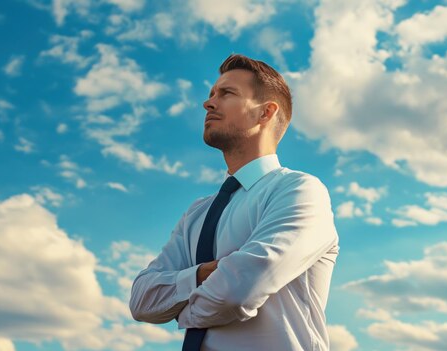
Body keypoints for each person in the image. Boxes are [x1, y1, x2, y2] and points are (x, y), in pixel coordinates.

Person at [129, 54, 339, 351]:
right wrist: (203, 274)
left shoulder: (300, 191)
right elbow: (142, 300)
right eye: (211, 94)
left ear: (265, 113)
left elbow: (238, 291)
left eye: (226, 93)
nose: (208, 103)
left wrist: (184, 309)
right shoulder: (197, 213)